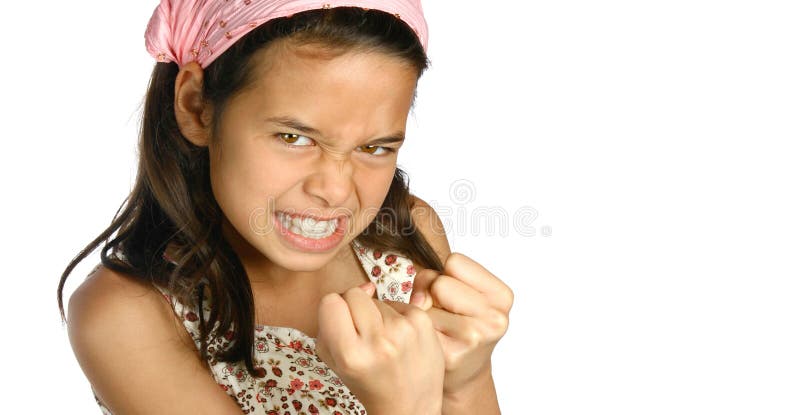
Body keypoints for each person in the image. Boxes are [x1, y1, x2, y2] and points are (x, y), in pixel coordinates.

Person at [56, 1, 514, 413]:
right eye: (294, 138)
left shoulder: (406, 234)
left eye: (374, 148)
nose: (335, 191)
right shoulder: (126, 315)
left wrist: (466, 380)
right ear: (195, 106)